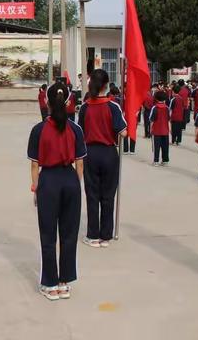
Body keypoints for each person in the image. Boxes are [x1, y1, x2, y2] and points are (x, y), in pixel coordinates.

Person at [27, 82, 86, 301]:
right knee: (69, 234)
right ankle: (64, 282)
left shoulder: (39, 129)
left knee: (48, 234)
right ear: (69, 101)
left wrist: (36, 188)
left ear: (47, 102)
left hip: (49, 181)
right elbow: (80, 163)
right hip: (70, 180)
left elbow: (35, 165)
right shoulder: (75, 129)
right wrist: (75, 184)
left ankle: (50, 284)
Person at [78, 69, 127, 248]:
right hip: (108, 153)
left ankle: (93, 235)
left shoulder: (85, 107)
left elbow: (79, 131)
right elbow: (124, 131)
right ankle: (106, 235)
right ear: (106, 85)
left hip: (90, 153)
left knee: (92, 195)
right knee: (108, 195)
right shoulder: (113, 106)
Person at [150, 91, 170, 166]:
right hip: (165, 130)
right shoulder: (167, 108)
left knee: (156, 146)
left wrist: (151, 129)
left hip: (157, 130)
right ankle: (165, 161)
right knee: (165, 146)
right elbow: (168, 119)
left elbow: (152, 120)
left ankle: (156, 161)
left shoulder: (154, 108)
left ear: (156, 98)